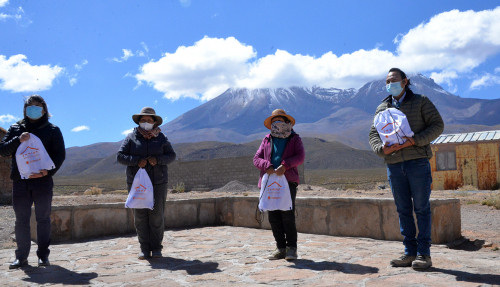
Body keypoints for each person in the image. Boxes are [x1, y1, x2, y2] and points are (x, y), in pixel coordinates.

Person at [369, 68, 444, 270]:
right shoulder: (382, 107)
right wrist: (381, 149)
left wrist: (416, 141)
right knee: (403, 210)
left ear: (405, 81)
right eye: (387, 81)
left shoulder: (421, 101)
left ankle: (424, 254)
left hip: (417, 161)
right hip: (394, 165)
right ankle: (409, 253)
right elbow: (373, 134)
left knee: (421, 208)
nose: (390, 83)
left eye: (393, 80)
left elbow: (437, 125)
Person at [0, 95, 65, 269]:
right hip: (20, 182)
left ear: (44, 109)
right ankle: (21, 257)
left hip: (43, 181)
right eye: (29, 106)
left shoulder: (52, 130)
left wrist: (48, 171)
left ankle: (43, 255)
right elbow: (3, 150)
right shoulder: (15, 128)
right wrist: (18, 139)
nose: (33, 109)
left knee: (43, 219)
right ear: (25, 109)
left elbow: (60, 155)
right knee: (21, 220)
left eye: (37, 106)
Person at [117, 107, 176, 260]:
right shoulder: (131, 137)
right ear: (139, 121)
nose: (146, 123)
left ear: (154, 122)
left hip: (158, 182)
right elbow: (120, 156)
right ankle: (144, 248)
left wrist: (158, 160)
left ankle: (156, 248)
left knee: (157, 216)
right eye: (143, 120)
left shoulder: (161, 138)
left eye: (149, 120)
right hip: (137, 183)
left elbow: (171, 155)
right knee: (140, 216)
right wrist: (137, 161)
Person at [253, 109, 305, 261]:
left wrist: (285, 166)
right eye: (274, 121)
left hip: (287, 181)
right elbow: (256, 158)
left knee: (287, 214)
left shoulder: (294, 138)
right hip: (269, 181)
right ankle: (280, 248)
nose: (277, 124)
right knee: (273, 216)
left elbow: (300, 156)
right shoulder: (267, 139)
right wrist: (266, 165)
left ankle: (291, 249)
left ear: (286, 122)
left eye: (280, 121)